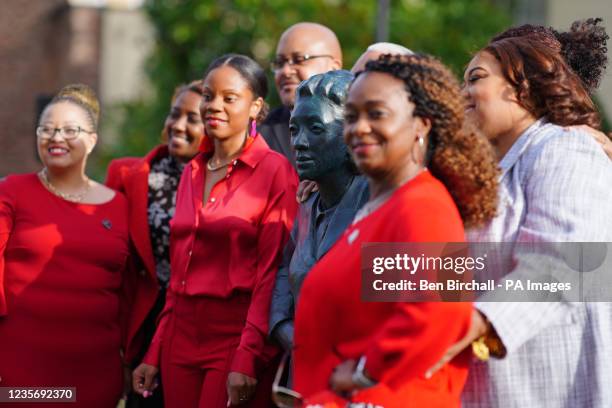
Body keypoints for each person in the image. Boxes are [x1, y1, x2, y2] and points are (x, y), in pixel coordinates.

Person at [292, 54, 499, 407]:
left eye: (376, 114)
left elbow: (441, 310)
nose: (358, 127)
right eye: (352, 116)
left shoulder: (423, 205)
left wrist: (364, 371)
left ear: (421, 125)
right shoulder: (379, 210)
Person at [426, 18, 612, 407]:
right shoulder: (489, 173)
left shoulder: (564, 149)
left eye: (474, 78)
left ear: (522, 88)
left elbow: (562, 264)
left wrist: (473, 325)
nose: (461, 94)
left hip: (551, 387)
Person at [132, 54, 298, 408]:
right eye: (208, 96)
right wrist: (154, 350)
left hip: (233, 337)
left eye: (229, 97)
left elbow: (270, 275)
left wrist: (247, 356)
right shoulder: (193, 170)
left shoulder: (275, 171)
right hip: (180, 336)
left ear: (255, 107)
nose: (214, 106)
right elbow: (179, 277)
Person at [0, 84, 130, 407]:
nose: (56, 137)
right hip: (22, 371)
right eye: (47, 129)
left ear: (92, 140)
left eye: (70, 130)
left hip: (96, 375)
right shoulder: (12, 191)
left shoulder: (119, 206)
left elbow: (129, 288)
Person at [106, 79, 205, 407]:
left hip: (201, 327)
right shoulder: (132, 177)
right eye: (174, 114)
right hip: (147, 321)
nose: (178, 125)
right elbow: (114, 263)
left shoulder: (224, 181)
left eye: (192, 118)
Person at [268, 70, 369, 355]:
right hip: (302, 374)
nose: (298, 142)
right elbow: (284, 273)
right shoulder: (308, 206)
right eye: (293, 129)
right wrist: (284, 329)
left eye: (315, 128)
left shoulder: (377, 206)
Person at [259, 22, 343, 166]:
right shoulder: (259, 132)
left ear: (334, 67)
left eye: (299, 60)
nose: (285, 71)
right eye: (280, 63)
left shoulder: (353, 129)